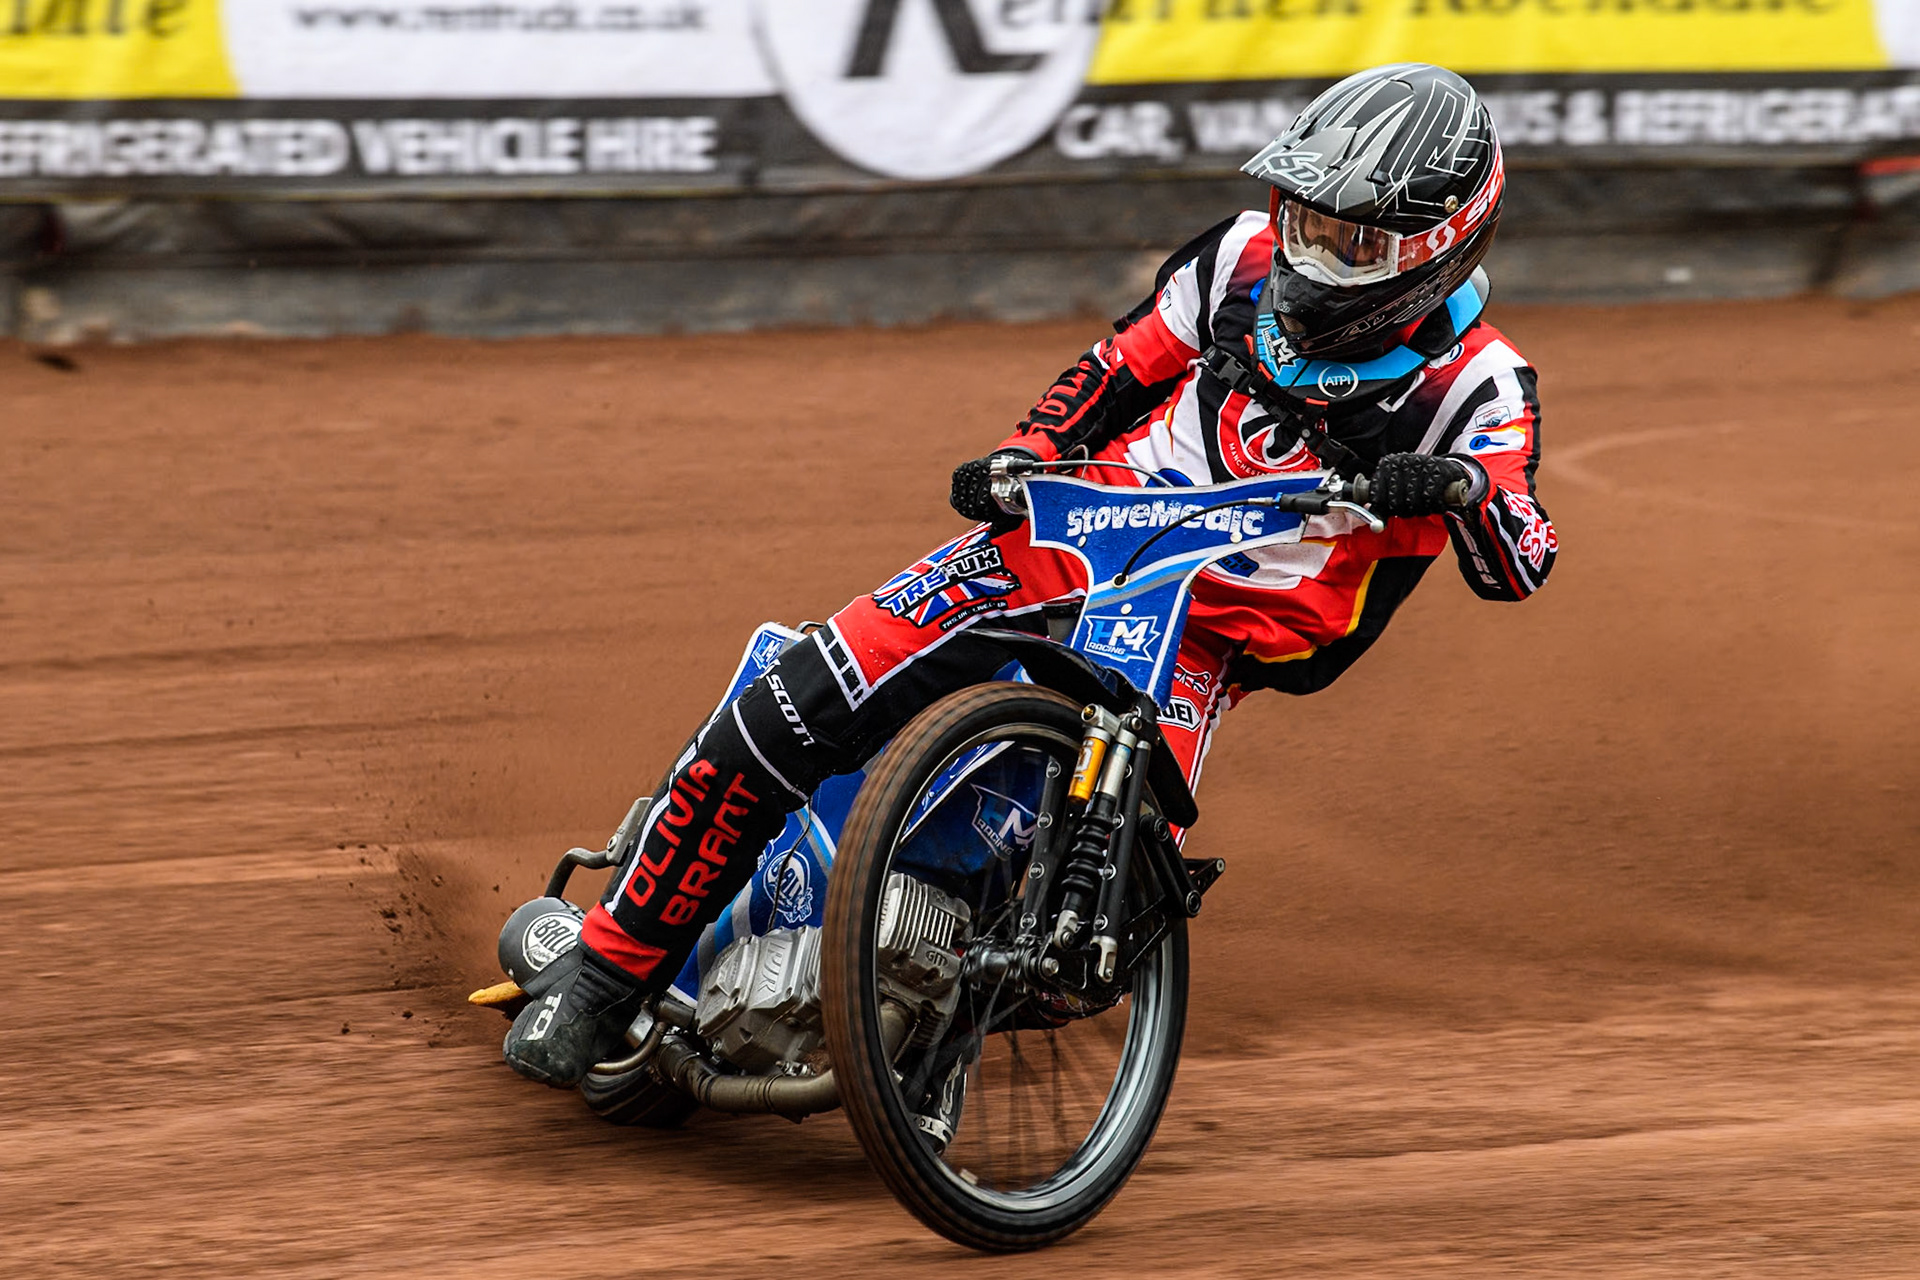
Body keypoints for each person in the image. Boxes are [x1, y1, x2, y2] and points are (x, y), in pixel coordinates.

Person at [503, 62, 1558, 1086]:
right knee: (794, 703)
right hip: (1071, 531)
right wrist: (1023, 454)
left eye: (1349, 236)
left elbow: (1522, 553)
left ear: (1439, 246)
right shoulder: (1235, 258)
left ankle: (914, 1029)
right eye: (1303, 216)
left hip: (1208, 628)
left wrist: (1464, 488)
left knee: (1073, 936)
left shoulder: (1483, 381)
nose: (1310, 249)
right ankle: (605, 968)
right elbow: (1111, 373)